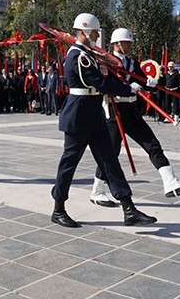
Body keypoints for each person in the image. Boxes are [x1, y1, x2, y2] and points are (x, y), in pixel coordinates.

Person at [51, 13, 156, 228]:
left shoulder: (88, 55)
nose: (98, 35)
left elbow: (103, 79)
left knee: (110, 161)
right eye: (95, 32)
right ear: (84, 31)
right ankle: (58, 208)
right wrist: (128, 88)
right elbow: (99, 82)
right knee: (69, 164)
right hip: (78, 116)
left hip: (93, 114)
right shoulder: (78, 56)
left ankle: (129, 208)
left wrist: (131, 83)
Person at [89, 28, 180, 207]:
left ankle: (171, 182)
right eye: (126, 42)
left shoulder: (132, 62)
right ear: (117, 44)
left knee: (153, 145)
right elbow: (107, 85)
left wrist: (152, 83)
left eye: (130, 42)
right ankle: (97, 191)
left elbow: (141, 81)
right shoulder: (105, 61)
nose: (130, 45)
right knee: (111, 153)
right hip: (115, 112)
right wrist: (128, 86)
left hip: (131, 110)